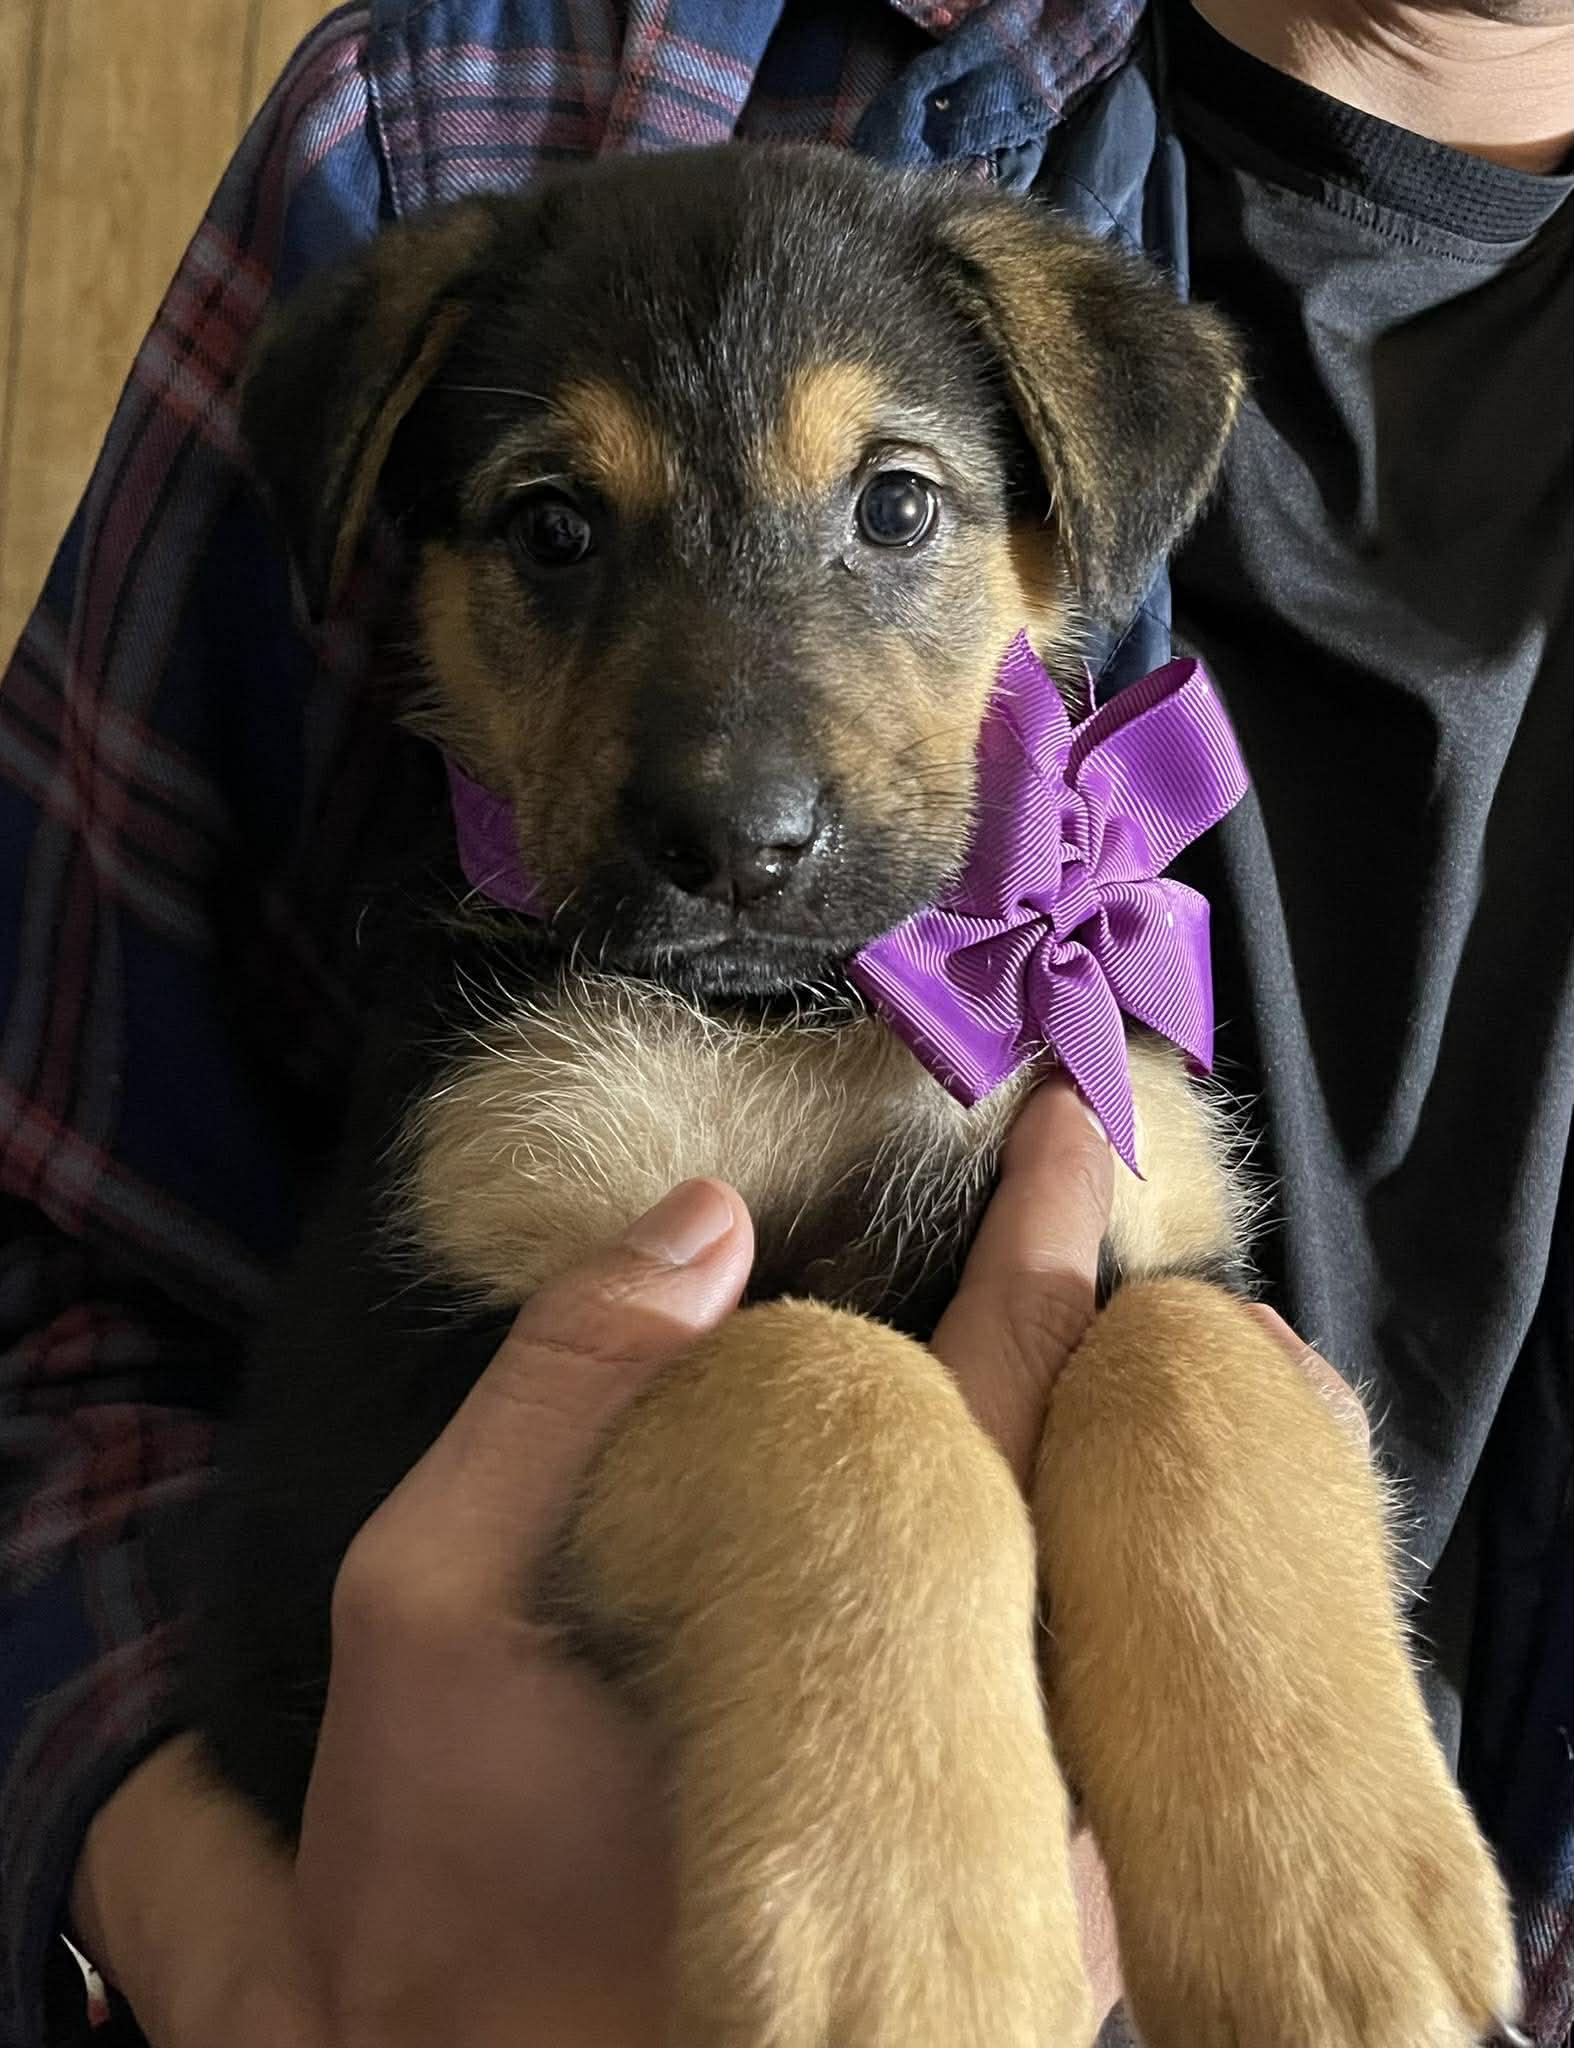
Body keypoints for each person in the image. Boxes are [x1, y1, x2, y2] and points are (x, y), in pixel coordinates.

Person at [1, 1, 1568, 2043]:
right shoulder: (470, 119)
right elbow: (70, 1309)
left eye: (893, 514)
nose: (739, 776)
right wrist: (254, 1960)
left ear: (1061, 528)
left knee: (1195, 1375)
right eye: (561, 533)